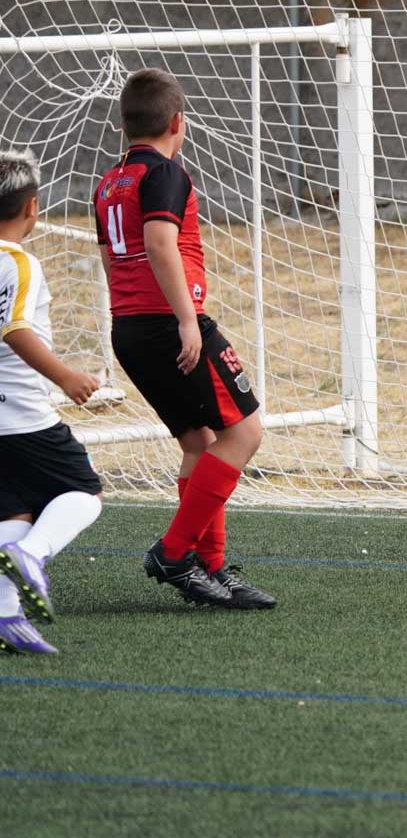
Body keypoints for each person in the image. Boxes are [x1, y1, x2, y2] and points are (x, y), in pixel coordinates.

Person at [93, 67, 274, 609]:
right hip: (170, 324)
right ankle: (175, 553)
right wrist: (188, 319)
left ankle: (210, 569)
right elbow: (159, 243)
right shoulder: (166, 172)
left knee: (199, 441)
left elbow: (109, 257)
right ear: (178, 123)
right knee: (244, 434)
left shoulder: (108, 182)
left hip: (129, 328)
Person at [0, 149, 105, 654]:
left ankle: (4, 616)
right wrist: (66, 377)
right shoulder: (19, 262)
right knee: (85, 493)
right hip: (22, 415)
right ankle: (34, 557)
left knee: (13, 512)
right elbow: (16, 328)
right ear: (32, 208)